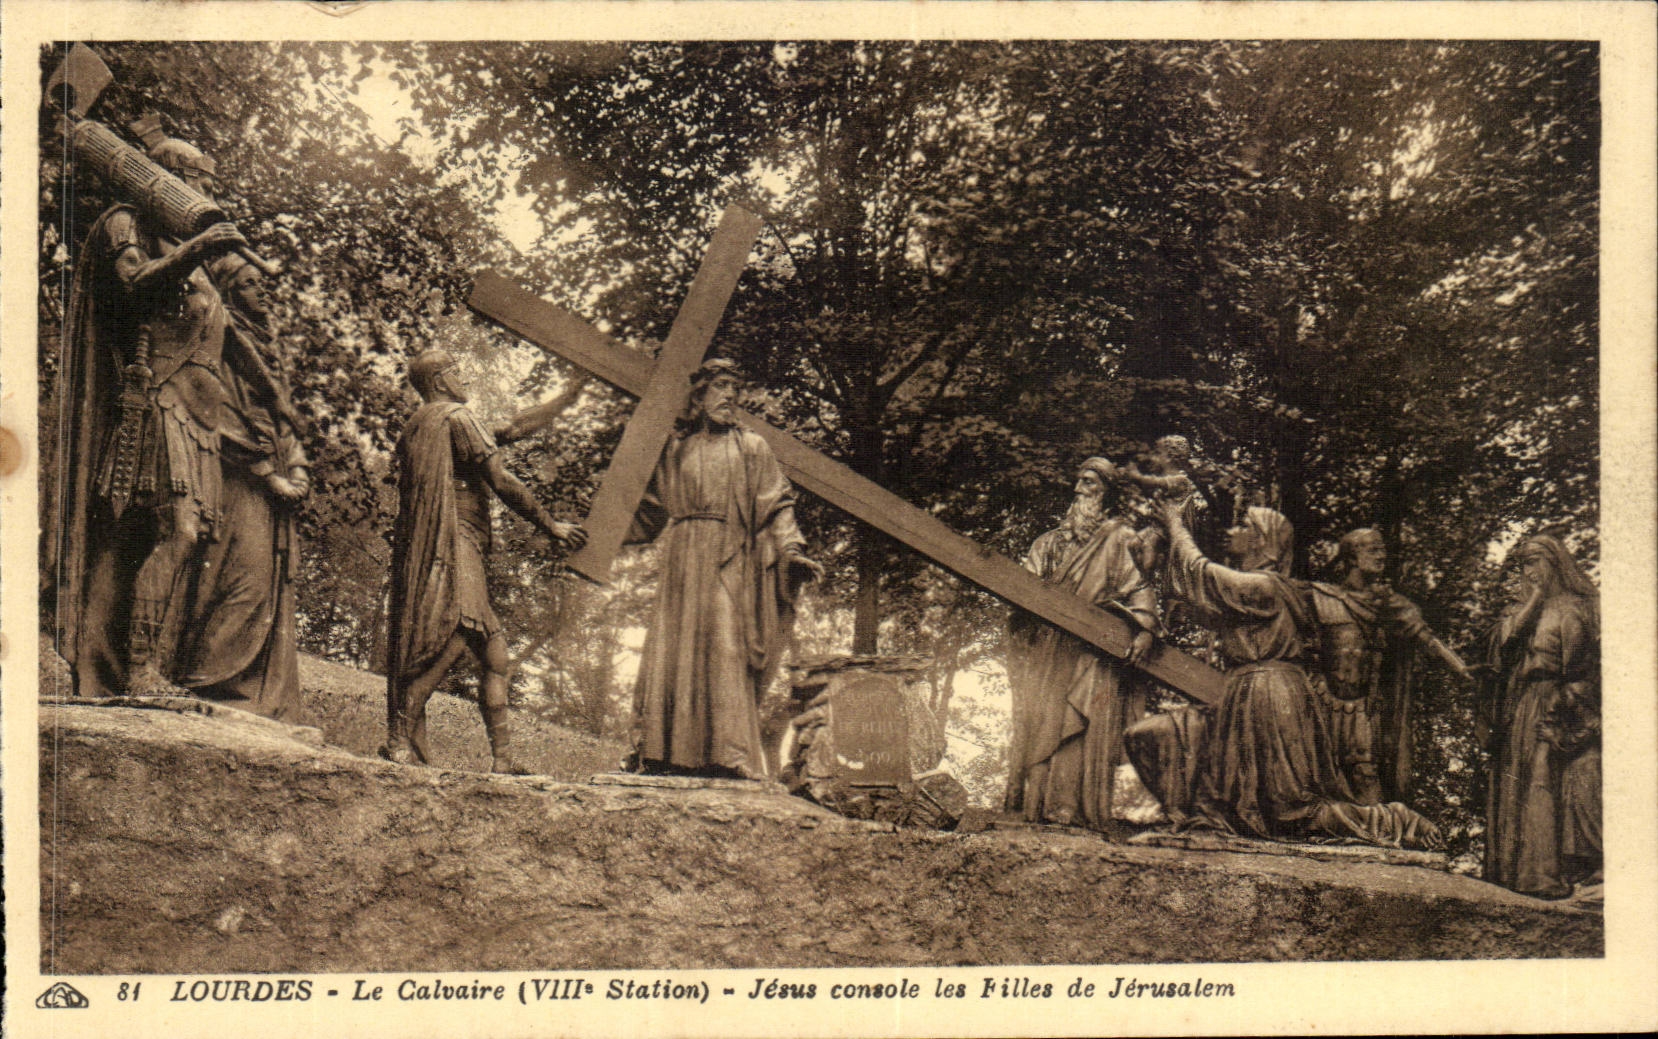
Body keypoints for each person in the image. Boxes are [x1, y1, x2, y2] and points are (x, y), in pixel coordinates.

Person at [55, 128, 254, 699]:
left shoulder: (179, 249)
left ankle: (131, 669)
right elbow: (134, 287)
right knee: (174, 530)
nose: (200, 192)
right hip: (153, 401)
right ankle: (136, 672)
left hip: (193, 411)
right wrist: (198, 248)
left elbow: (225, 335)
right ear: (164, 178)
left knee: (160, 536)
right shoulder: (127, 223)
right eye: (193, 179)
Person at [1124, 501, 1441, 849]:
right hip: (1241, 698)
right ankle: (1188, 817)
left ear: (1263, 540)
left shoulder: (1266, 587)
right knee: (1148, 735)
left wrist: (1175, 524)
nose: (1233, 532)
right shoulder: (1250, 592)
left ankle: (1396, 820)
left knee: (1289, 811)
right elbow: (1194, 594)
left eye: (1244, 526)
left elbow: (1200, 573)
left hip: (1272, 699)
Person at [382, 349, 587, 773]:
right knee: (457, 631)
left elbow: (512, 427)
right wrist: (551, 525)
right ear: (440, 380)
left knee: (495, 656)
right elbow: (501, 479)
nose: (465, 380)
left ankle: (503, 759)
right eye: (457, 371)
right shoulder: (457, 417)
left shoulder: (421, 425)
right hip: (455, 543)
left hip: (447, 544)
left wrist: (564, 400)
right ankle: (398, 739)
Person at [626, 358, 823, 780]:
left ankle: (729, 755)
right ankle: (660, 754)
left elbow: (776, 504)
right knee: (672, 651)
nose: (730, 396)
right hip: (682, 560)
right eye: (720, 386)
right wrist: (597, 532)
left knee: (726, 648)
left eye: (735, 387)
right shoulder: (677, 449)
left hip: (729, 558)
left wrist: (791, 548)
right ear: (698, 396)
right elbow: (650, 511)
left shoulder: (751, 447)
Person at [167, 248, 311, 719]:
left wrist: (299, 470)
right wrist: (268, 475)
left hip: (274, 484)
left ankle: (248, 694)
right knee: (241, 577)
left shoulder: (270, 348)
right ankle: (204, 680)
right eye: (250, 284)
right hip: (237, 478)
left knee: (267, 584)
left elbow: (286, 419)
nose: (261, 291)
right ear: (229, 292)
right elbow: (217, 411)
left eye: (262, 283)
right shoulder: (216, 338)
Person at [1004, 458, 1157, 833]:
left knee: (1085, 728)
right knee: (1044, 727)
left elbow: (1139, 588)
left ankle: (1073, 810)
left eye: (1089, 483)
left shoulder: (1120, 540)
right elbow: (1022, 592)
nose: (1079, 490)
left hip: (1095, 656)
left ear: (1105, 492)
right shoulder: (1048, 544)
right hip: (1051, 651)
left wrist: (1146, 629)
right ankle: (1037, 808)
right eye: (1078, 481)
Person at [1308, 528, 1471, 803]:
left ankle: (1378, 839)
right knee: (1318, 775)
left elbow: (1427, 638)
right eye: (1372, 549)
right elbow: (1305, 649)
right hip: (1321, 702)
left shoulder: (1388, 603)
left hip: (1363, 706)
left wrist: (1461, 669)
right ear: (1351, 557)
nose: (1381, 555)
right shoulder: (1319, 597)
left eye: (1382, 549)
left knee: (1365, 774)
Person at [1480, 534, 1600, 898]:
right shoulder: (1521, 611)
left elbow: (1581, 668)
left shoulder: (1577, 607)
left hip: (1555, 703)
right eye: (1523, 564)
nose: (1529, 571)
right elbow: (1503, 647)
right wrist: (1533, 599)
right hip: (1520, 706)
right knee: (1516, 783)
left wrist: (1563, 708)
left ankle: (1543, 876)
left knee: (1542, 782)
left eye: (1535, 561)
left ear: (1555, 562)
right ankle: (1510, 875)